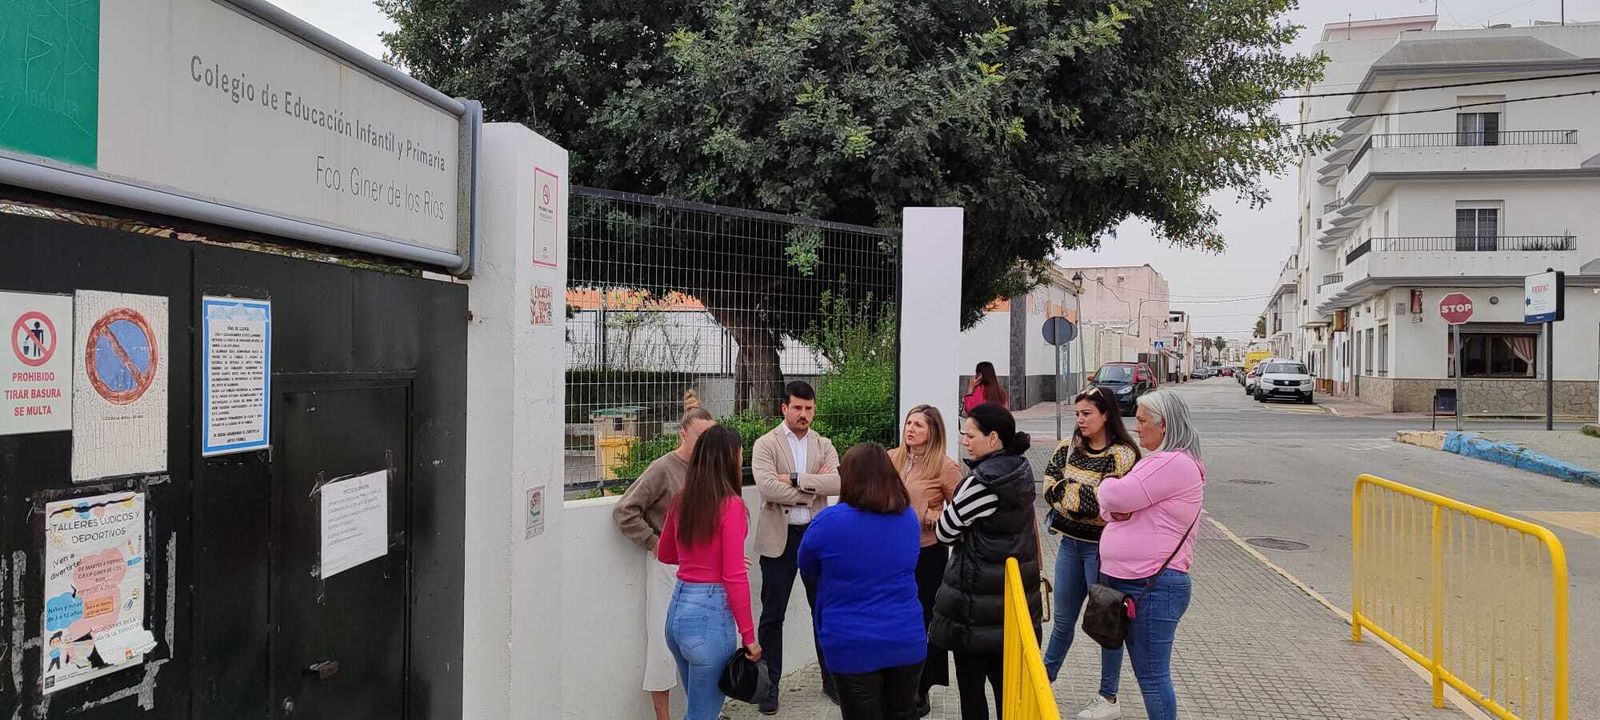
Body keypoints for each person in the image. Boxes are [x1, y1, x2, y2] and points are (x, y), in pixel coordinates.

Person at [929, 403, 1041, 720]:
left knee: (973, 692)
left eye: (970, 434)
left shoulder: (982, 482)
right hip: (1012, 606)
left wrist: (941, 519)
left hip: (976, 611)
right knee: (1009, 692)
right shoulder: (1019, 470)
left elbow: (946, 530)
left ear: (993, 438)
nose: (964, 440)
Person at [1097, 390, 1205, 720]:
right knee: (1150, 676)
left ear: (1165, 425)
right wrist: (1116, 506)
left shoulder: (1172, 462)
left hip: (1152, 584)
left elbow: (1116, 494)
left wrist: (1107, 489)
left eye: (1143, 421)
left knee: (1153, 678)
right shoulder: (1163, 462)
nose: (1136, 428)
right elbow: (1113, 509)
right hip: (1138, 582)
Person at [799, 443, 926, 720]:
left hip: (851, 643)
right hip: (906, 638)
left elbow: (806, 564)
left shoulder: (828, 522)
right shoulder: (908, 518)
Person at [612, 406, 718, 720]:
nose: (705, 444)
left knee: (703, 644)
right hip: (668, 569)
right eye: (700, 436)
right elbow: (625, 510)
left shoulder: (709, 469)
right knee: (662, 644)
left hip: (703, 568)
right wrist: (656, 544)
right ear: (683, 433)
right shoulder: (662, 468)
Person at [1040, 387, 1140, 719]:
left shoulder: (1122, 454)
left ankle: (1108, 697)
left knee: (1106, 624)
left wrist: (1073, 497)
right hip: (1070, 546)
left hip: (1104, 551)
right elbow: (1048, 488)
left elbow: (1109, 503)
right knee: (1063, 622)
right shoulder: (1066, 449)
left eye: (1087, 414)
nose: (1080, 420)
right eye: (1077, 414)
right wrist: (1084, 497)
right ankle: (1042, 681)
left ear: (1106, 415)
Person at [657, 425, 762, 720]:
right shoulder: (731, 506)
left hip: (677, 614)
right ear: (729, 459)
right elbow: (733, 576)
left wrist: (706, 558)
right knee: (702, 715)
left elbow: (666, 553)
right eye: (740, 454)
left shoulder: (680, 500)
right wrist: (749, 637)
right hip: (709, 619)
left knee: (699, 710)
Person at [752, 380, 842, 713]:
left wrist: (792, 478)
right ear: (784, 408)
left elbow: (837, 482)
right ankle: (769, 687)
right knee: (772, 616)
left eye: (809, 409)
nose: (804, 414)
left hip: (816, 538)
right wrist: (812, 488)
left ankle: (832, 682)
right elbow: (767, 488)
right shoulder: (765, 444)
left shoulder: (825, 444)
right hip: (779, 540)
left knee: (824, 612)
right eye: (798, 408)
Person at [887, 404, 962, 716]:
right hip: (890, 553)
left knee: (923, 620)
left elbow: (961, 515)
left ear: (932, 432)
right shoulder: (892, 458)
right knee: (894, 619)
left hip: (926, 554)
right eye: (909, 422)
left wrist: (934, 515)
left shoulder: (945, 467)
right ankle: (893, 680)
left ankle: (921, 686)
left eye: (918, 425)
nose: (911, 429)